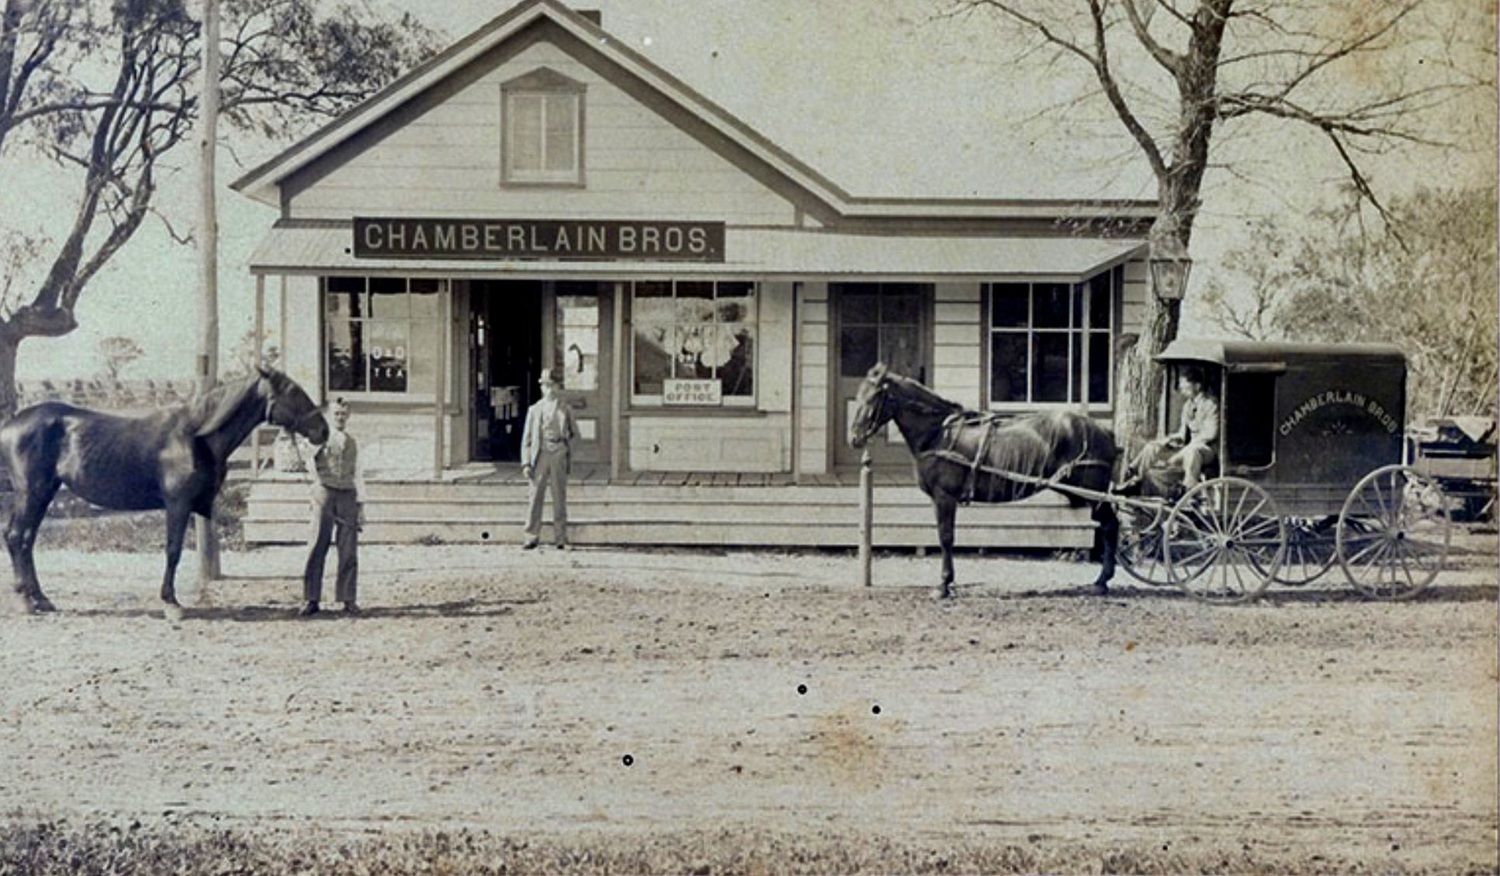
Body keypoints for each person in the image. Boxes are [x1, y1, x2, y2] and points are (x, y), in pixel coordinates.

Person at [301, 397, 363, 615]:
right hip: (325, 492)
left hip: (348, 494)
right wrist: (316, 485)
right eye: (336, 414)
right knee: (318, 544)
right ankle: (311, 598)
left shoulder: (352, 442)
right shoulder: (319, 438)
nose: (340, 418)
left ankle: (348, 598)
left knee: (348, 549)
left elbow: (359, 474)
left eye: (344, 414)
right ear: (329, 415)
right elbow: (306, 458)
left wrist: (360, 504)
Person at [1123, 366, 1219, 493]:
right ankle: (1138, 478)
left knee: (1192, 451)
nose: (1183, 390)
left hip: (1205, 449)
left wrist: (1188, 447)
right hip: (1187, 448)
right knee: (1152, 447)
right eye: (1182, 387)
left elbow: (1211, 433)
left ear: (1197, 386)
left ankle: (1188, 488)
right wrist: (1166, 441)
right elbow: (1182, 434)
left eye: (1186, 387)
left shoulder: (1211, 404)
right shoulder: (1188, 406)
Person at [521, 367, 578, 550]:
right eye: (546, 386)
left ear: (558, 387)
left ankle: (561, 537)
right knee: (535, 495)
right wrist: (526, 463)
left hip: (558, 452)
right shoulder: (534, 410)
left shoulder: (565, 408)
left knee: (559, 496)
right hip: (540, 454)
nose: (550, 390)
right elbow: (527, 439)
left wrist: (567, 451)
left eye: (553, 385)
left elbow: (575, 434)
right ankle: (531, 535)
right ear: (542, 387)